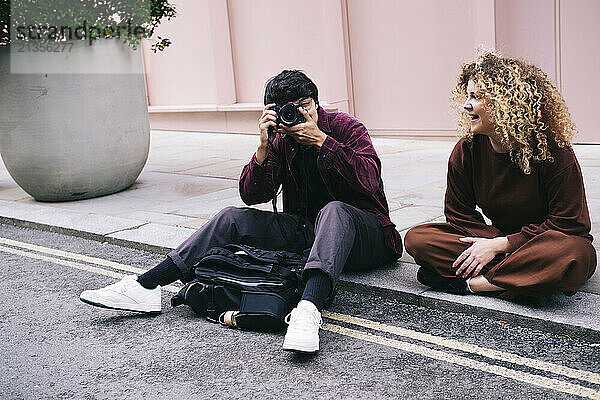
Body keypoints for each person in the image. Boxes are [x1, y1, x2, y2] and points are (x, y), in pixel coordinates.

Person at [80, 70, 402, 352]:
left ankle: (308, 309)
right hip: (308, 235)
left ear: (316, 103)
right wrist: (262, 149)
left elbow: (369, 181)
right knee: (231, 216)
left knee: (333, 210)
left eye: (304, 105)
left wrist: (321, 141)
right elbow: (251, 196)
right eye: (286, 110)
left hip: (367, 237)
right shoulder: (280, 140)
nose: (298, 115)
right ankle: (146, 286)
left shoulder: (346, 127)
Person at [404, 49, 596, 299]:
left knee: (574, 255)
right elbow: (458, 214)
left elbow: (569, 224)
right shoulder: (467, 149)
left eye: (477, 96)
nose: (466, 104)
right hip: (502, 243)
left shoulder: (553, 151)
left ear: (507, 102)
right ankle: (525, 279)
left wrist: (502, 245)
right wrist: (488, 244)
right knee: (419, 239)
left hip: (548, 242)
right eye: (467, 95)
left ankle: (471, 285)